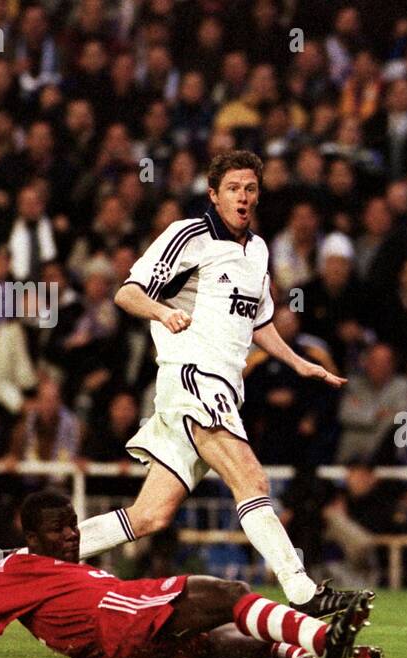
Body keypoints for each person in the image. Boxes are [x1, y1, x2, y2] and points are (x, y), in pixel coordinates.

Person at [70, 150, 370, 620]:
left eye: (251, 188)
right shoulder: (189, 235)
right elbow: (127, 292)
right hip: (192, 377)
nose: (243, 197)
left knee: (151, 515)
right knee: (251, 478)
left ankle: (32, 559)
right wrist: (164, 311)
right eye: (233, 188)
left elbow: (259, 323)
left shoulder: (258, 251)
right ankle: (302, 590)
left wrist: (298, 364)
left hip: (223, 387)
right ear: (214, 194)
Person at [0, 490, 380, 658]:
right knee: (228, 595)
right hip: (120, 616)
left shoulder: (68, 568)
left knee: (231, 646)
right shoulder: (14, 570)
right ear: (31, 535)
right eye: (59, 530)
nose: (73, 536)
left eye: (74, 525)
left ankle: (312, 657)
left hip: (119, 639)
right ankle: (320, 635)